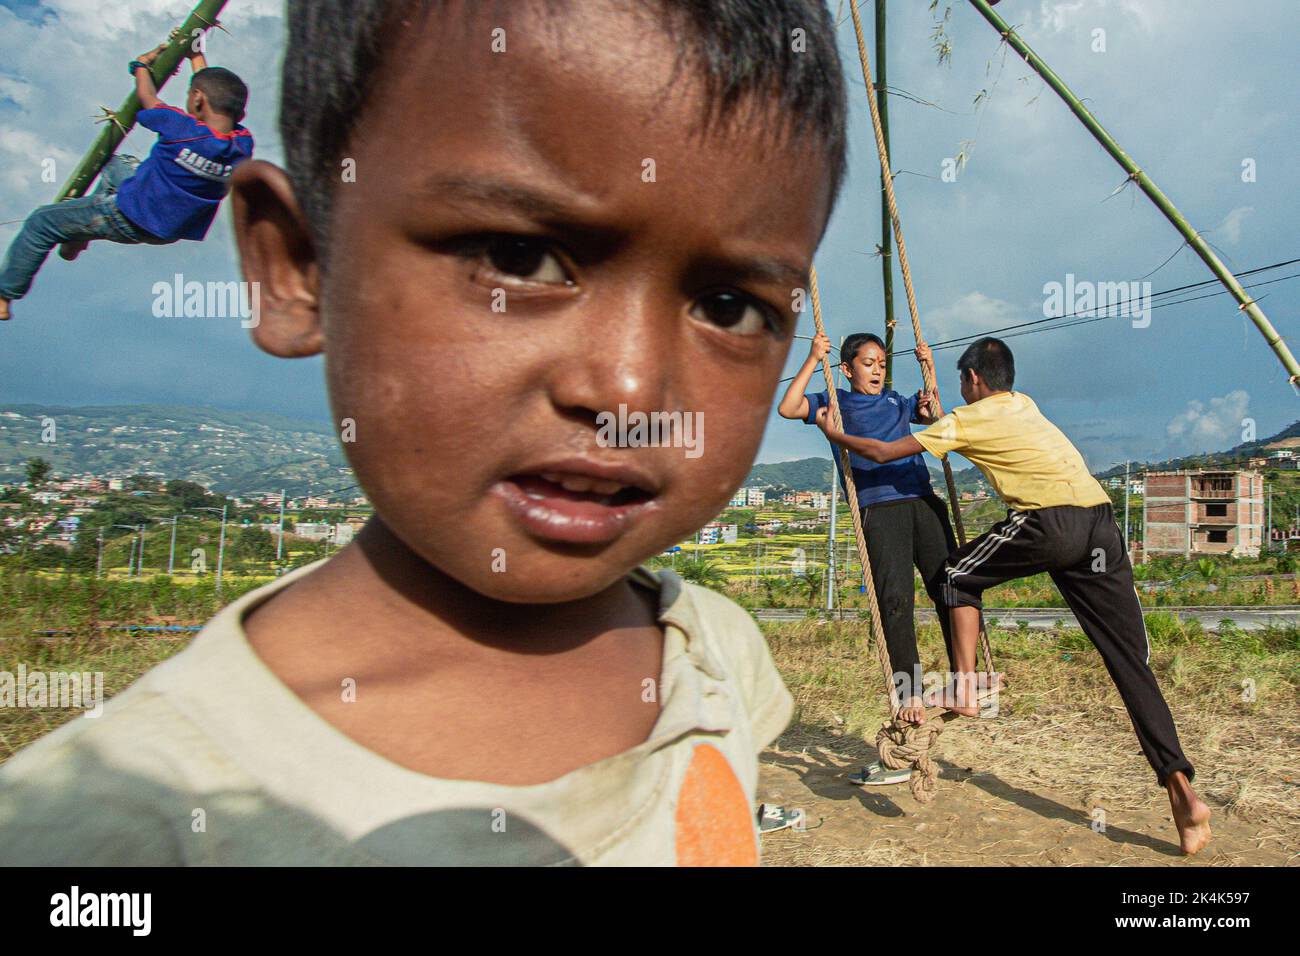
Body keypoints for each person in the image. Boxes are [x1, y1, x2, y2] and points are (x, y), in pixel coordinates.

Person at [0, 0, 849, 865]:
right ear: (298, 270)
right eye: (519, 259)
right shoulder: (108, 833)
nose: (628, 386)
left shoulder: (715, 653)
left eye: (730, 306)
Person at [814, 336, 1212, 855]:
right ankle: (1179, 786)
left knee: (955, 576)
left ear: (975, 379)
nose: (959, 391)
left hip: (1050, 524)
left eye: (962, 381)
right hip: (1100, 521)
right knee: (1128, 661)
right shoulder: (1027, 405)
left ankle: (963, 683)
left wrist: (834, 432)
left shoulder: (967, 419)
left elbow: (887, 451)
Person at [778, 332, 971, 780]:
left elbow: (937, 417)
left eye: (882, 362)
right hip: (879, 508)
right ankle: (910, 694)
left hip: (922, 500)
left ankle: (968, 679)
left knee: (953, 585)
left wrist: (930, 367)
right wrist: (812, 358)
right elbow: (788, 408)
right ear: (848, 369)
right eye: (868, 363)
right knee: (896, 602)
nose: (878, 369)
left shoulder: (897, 403)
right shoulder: (835, 400)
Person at [0, 41, 253, 321]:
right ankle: (76, 238)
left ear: (196, 99)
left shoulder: (181, 128)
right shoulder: (242, 146)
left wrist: (142, 65)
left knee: (41, 222)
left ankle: (5, 294)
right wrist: (197, 57)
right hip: (167, 227)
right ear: (240, 115)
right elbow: (210, 99)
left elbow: (148, 98)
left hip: (127, 215)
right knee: (116, 164)